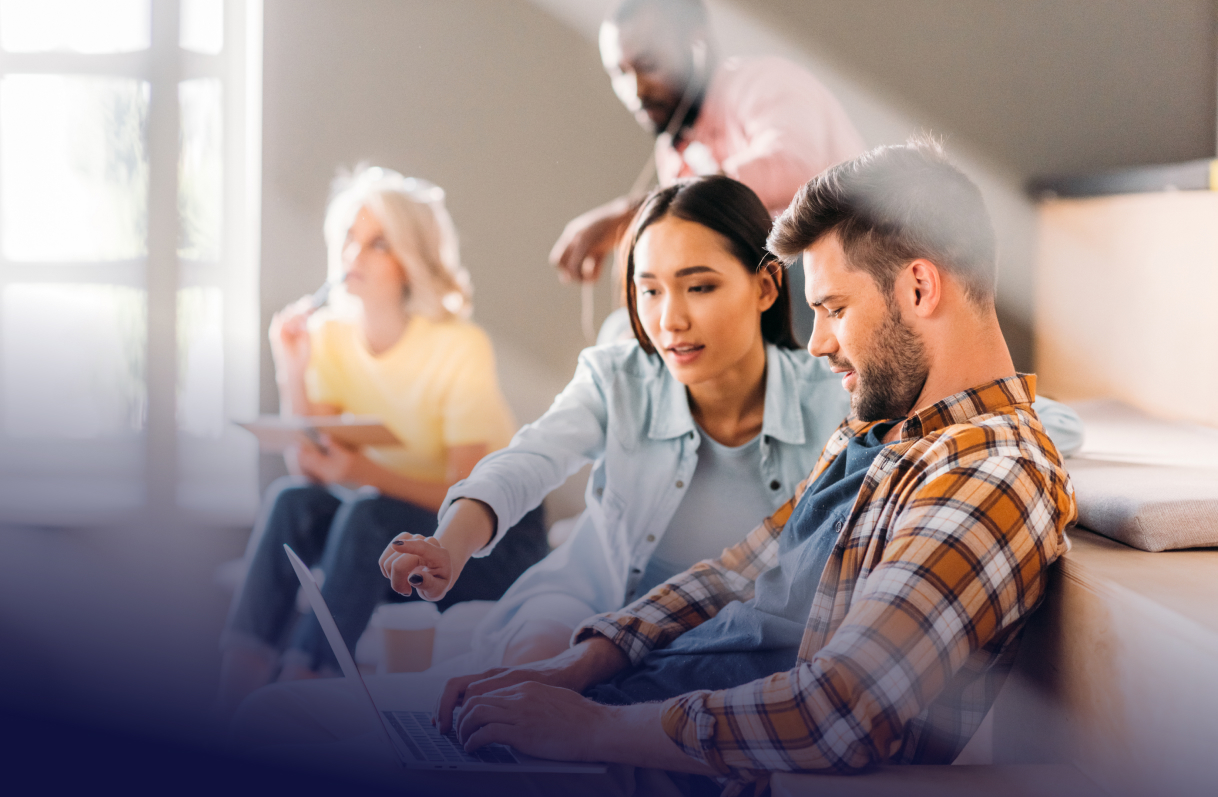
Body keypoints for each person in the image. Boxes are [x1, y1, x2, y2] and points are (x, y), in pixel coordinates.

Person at [431, 140, 1078, 794]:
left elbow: (836, 712)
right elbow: (739, 572)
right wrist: (576, 667)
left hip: (656, 765)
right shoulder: (878, 430)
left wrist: (586, 728)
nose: (817, 342)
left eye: (834, 309)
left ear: (919, 287)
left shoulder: (990, 476)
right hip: (609, 725)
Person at [378, 175, 850, 669]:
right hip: (590, 607)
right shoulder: (617, 378)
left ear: (766, 287)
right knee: (527, 674)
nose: (670, 320)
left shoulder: (832, 399)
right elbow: (529, 460)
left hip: (735, 636)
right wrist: (447, 546)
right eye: (649, 291)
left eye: (699, 287)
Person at [216, 167, 547, 717]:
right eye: (350, 237)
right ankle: (232, 696)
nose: (355, 254)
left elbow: (465, 494)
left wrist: (362, 474)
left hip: (488, 540)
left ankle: (302, 687)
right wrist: (291, 367)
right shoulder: (331, 337)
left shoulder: (459, 346)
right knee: (290, 501)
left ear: (411, 260)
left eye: (378, 243)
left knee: (369, 513)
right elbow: (310, 468)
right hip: (398, 531)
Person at [550, 0, 864, 339]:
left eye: (648, 64)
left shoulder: (765, 81)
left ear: (697, 44)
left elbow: (792, 169)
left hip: (841, 267)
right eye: (620, 73)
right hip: (774, 297)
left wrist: (635, 211)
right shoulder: (674, 151)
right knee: (624, 332)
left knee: (782, 263)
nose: (635, 90)